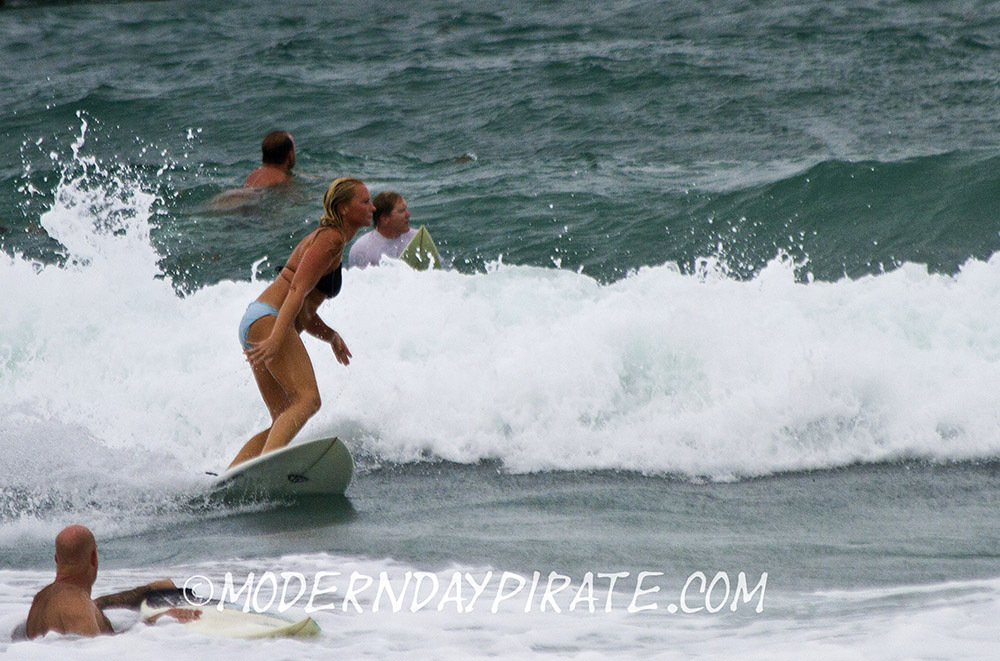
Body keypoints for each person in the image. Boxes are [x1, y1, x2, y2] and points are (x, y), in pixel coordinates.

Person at [229, 177, 375, 468]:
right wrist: (274, 339)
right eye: (365, 201)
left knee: (283, 414)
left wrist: (330, 335)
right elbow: (297, 290)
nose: (372, 207)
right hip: (268, 321)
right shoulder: (331, 239)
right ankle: (265, 474)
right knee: (308, 400)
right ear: (344, 208)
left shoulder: (332, 239)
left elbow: (304, 309)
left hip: (258, 319)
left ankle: (233, 477)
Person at [23, 525, 197, 639]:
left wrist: (148, 589)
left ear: (56, 559)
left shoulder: (42, 599)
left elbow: (91, 609)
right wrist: (156, 621)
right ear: (94, 557)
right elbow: (96, 653)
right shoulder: (75, 606)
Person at [347, 191, 418, 268]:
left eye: (406, 209)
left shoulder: (416, 238)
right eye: (401, 211)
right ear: (384, 219)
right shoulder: (362, 249)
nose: (408, 214)